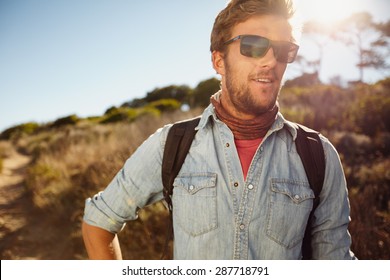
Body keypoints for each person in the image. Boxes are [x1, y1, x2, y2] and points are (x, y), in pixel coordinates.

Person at [82, 0, 356, 260]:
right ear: (219, 61)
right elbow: (99, 220)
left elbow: (334, 260)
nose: (271, 61)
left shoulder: (318, 155)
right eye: (253, 45)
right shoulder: (172, 145)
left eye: (283, 50)